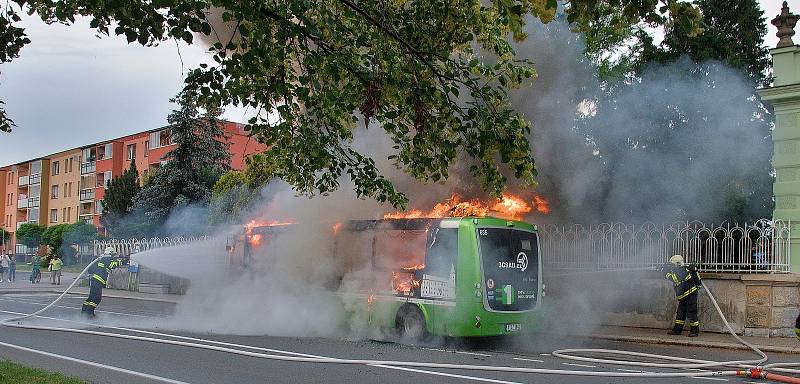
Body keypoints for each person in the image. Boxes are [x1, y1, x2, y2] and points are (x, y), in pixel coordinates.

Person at [81, 247, 128, 318]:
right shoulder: (107, 259)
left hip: (94, 280)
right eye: (113, 254)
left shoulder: (102, 259)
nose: (114, 256)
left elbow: (91, 269)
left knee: (91, 297)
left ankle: (84, 312)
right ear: (110, 253)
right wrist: (125, 260)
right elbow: (114, 264)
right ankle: (89, 313)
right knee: (96, 298)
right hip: (98, 281)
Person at [664, 254, 702, 337]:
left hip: (690, 295)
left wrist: (665, 272)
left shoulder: (682, 271)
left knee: (691, 313)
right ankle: (677, 330)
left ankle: (695, 331)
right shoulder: (682, 270)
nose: (672, 267)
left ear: (677, 264)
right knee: (680, 313)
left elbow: (675, 278)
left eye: (673, 265)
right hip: (683, 296)